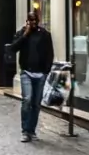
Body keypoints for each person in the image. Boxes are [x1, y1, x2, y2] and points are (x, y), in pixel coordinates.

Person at [7, 11, 54, 142]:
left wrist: (46, 71)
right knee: (27, 100)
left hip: (40, 74)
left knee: (36, 104)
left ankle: (32, 130)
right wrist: (25, 35)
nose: (33, 22)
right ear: (27, 21)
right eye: (30, 20)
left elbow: (50, 53)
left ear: (38, 20)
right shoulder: (22, 33)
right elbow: (13, 48)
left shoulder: (45, 34)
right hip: (26, 72)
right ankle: (25, 131)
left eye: (35, 20)